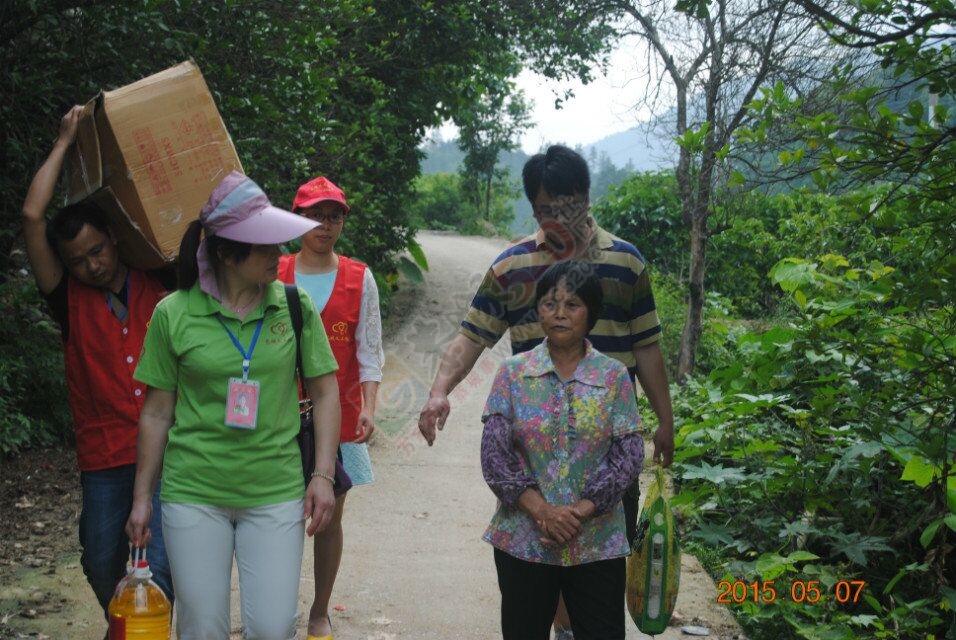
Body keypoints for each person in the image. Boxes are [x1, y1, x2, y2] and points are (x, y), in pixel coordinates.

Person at [417, 144, 674, 638]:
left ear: (586, 197)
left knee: (597, 564)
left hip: (606, 447)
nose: (556, 218)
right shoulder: (514, 267)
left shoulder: (625, 262)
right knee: (539, 570)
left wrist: (664, 422)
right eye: (544, 209)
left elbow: (647, 347)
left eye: (566, 206)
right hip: (535, 452)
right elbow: (472, 335)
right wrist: (439, 390)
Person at [124, 170, 342, 639]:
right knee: (202, 629)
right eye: (264, 246)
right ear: (225, 253)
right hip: (193, 493)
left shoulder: (293, 305)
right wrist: (142, 498)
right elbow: (158, 412)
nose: (278, 255)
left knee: (272, 627)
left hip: (276, 490)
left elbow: (325, 393)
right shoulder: (174, 313)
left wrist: (322, 475)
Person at [20, 105, 174, 630]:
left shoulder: (161, 282)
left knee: (166, 567)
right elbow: (31, 218)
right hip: (105, 456)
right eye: (79, 260)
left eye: (98, 250)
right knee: (98, 558)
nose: (93, 265)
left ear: (113, 237)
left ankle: (147, 628)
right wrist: (65, 142)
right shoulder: (67, 300)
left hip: (170, 449)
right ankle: (127, 626)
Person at [481, 260, 644, 639]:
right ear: (538, 310)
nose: (559, 314)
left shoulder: (613, 377)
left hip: (596, 543)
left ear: (591, 313)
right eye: (550, 304)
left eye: (572, 305)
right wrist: (542, 511)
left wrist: (578, 513)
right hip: (524, 540)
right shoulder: (513, 372)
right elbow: (494, 457)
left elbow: (628, 456)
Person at [278, 176, 384, 640]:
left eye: (334, 215)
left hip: (336, 419)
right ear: (295, 219)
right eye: (314, 214)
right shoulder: (272, 270)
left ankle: (320, 610)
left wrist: (369, 406)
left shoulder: (360, 276)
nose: (324, 224)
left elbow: (370, 349)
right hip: (276, 418)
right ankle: (276, 610)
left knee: (329, 518)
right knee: (277, 518)